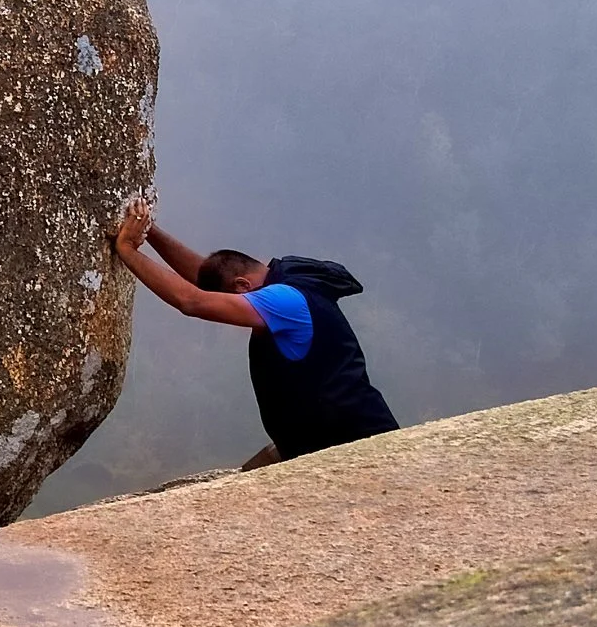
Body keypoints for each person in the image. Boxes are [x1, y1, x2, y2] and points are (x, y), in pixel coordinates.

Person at [111, 193, 399, 467]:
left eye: (232, 299)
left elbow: (192, 301)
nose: (231, 309)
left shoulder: (282, 301)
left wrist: (127, 251)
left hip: (353, 444)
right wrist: (149, 231)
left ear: (242, 286)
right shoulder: (280, 276)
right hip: (319, 438)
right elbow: (204, 280)